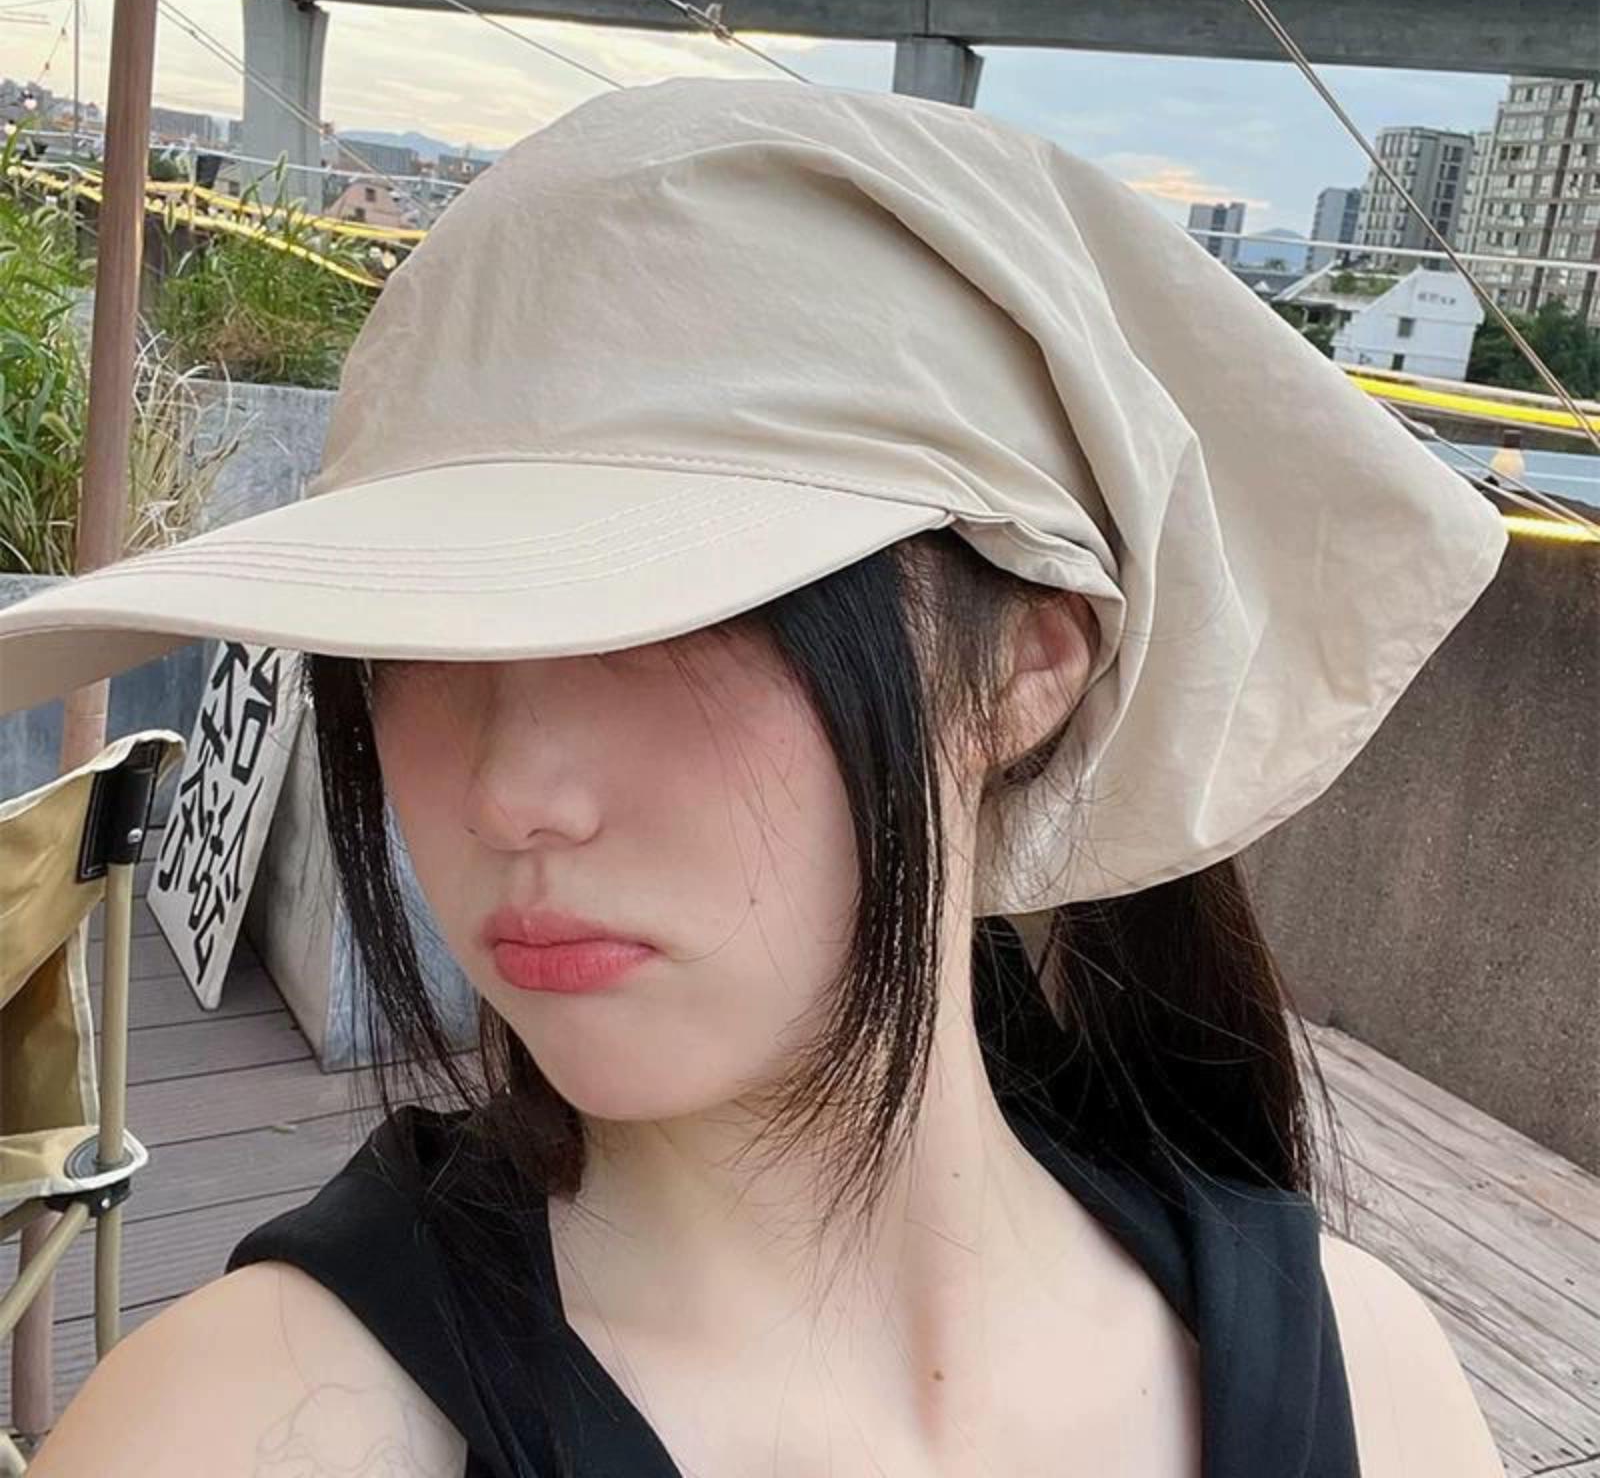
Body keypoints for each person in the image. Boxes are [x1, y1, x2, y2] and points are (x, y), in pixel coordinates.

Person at [3, 77, 1509, 1478]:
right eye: (418, 643)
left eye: (676, 622)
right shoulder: (244, 1431)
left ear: (1025, 665)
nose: (513, 793)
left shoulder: (1374, 1393)